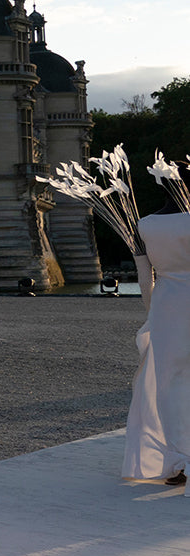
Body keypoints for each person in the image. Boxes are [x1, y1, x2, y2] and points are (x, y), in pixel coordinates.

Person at [124, 171, 190, 487]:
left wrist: (153, 314)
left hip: (166, 306)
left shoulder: (144, 224)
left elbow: (143, 279)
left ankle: (175, 464)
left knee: (167, 384)